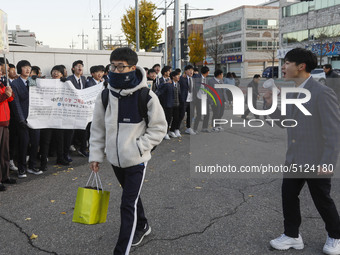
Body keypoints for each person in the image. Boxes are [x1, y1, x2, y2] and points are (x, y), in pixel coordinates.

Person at [89, 47, 167, 255]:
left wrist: (139, 147)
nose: (114, 70)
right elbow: (98, 129)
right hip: (115, 160)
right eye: (112, 66)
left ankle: (121, 250)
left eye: (120, 67)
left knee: (127, 204)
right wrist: (96, 155)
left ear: (132, 68)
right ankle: (143, 225)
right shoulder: (105, 96)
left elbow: (159, 128)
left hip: (136, 160)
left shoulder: (146, 96)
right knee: (130, 197)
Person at [263, 48, 340, 255]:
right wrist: (270, 104)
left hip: (316, 159)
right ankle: (292, 235)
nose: (283, 67)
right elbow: (285, 122)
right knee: (288, 196)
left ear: (301, 66)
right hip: (295, 157)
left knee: (322, 200)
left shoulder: (323, 93)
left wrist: (328, 162)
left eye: (287, 63)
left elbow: (333, 133)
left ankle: (335, 236)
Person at [10, 60, 43, 178]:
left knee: (35, 143)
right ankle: (21, 168)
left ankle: (32, 166)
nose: (28, 69)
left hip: (35, 118)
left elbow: (39, 97)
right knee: (23, 144)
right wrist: (21, 119)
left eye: (29, 67)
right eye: (25, 67)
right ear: (20, 69)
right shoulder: (15, 83)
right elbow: (16, 103)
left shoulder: (33, 80)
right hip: (23, 119)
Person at [67, 60, 89, 157]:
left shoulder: (84, 79)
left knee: (84, 129)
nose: (80, 68)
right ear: (73, 69)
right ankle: (66, 152)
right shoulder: (69, 79)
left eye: (81, 66)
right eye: (78, 66)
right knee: (71, 132)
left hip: (82, 109)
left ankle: (83, 149)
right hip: (72, 109)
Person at [0, 64, 16, 191]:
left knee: (5, 152)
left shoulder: (2, 84)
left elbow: (11, 99)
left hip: (5, 122)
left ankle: (5, 176)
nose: (1, 72)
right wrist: (5, 95)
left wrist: (8, 93)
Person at [158, 70, 181, 140]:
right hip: (169, 105)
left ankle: (172, 131)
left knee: (176, 118)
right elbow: (160, 90)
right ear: (173, 77)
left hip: (177, 104)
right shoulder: (168, 84)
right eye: (177, 76)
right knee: (168, 119)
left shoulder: (178, 84)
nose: (178, 77)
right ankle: (165, 133)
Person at [179, 65, 196, 136]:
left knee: (191, 114)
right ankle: (176, 128)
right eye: (189, 70)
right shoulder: (182, 79)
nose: (191, 71)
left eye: (192, 70)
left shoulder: (193, 79)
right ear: (185, 71)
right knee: (181, 114)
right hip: (184, 100)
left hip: (191, 100)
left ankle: (188, 128)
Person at [192, 66, 210, 133]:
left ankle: (204, 128)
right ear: (207, 72)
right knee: (199, 115)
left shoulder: (206, 79)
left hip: (205, 98)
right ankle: (195, 129)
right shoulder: (197, 77)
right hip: (198, 98)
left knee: (207, 114)